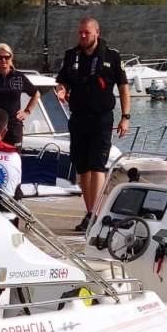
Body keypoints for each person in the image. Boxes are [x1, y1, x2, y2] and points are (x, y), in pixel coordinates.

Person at [54, 17, 130, 231]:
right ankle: (90, 213)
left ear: (97, 32)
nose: (83, 36)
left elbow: (123, 87)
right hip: (78, 118)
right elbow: (62, 81)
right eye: (80, 32)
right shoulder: (71, 56)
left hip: (101, 118)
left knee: (97, 165)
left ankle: (95, 213)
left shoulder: (112, 56)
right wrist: (61, 90)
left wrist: (126, 117)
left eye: (87, 32)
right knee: (83, 167)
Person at [0, 42, 38, 147]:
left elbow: (36, 94)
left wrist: (27, 111)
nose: (3, 60)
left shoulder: (19, 77)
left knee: (14, 155)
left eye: (7, 57)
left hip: (13, 127)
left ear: (11, 57)